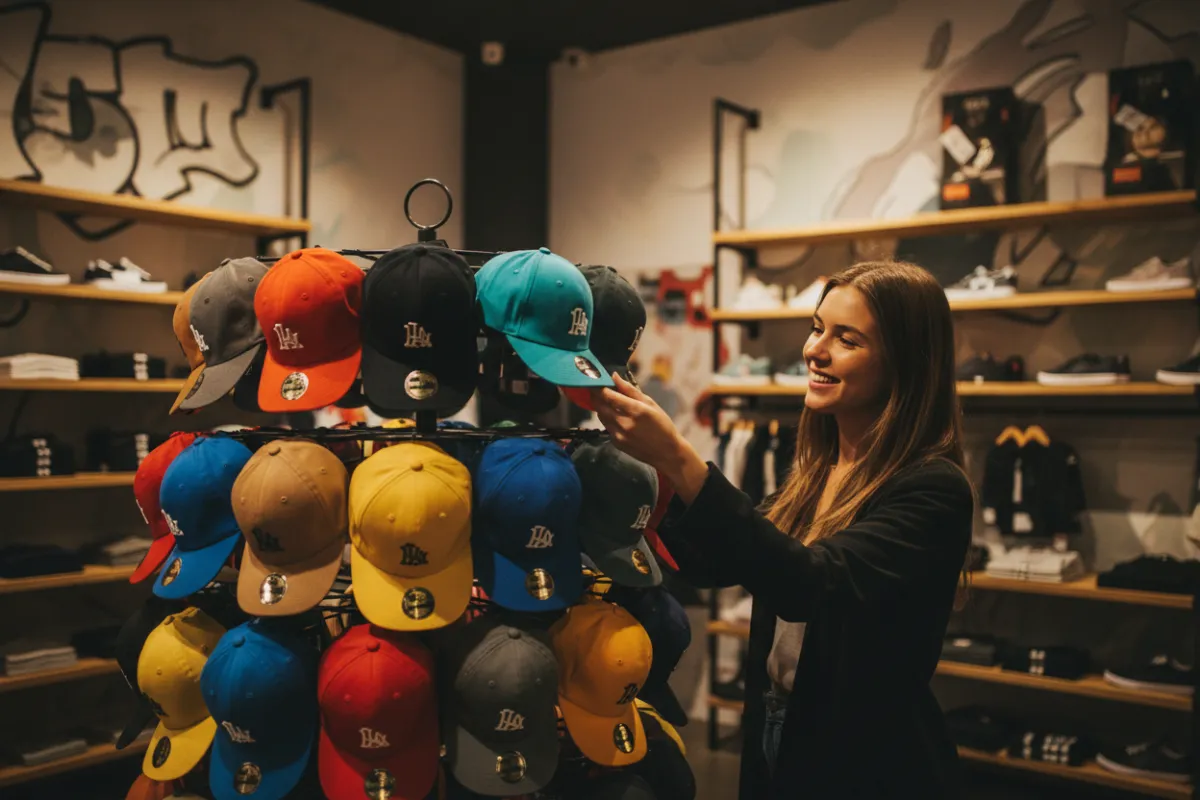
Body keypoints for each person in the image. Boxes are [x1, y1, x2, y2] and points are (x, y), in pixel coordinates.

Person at [590, 261, 974, 798]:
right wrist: (649, 475)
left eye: (847, 339)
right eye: (817, 328)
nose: (815, 350)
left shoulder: (932, 488)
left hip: (866, 756)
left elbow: (809, 584)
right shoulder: (818, 473)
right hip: (778, 720)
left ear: (904, 362)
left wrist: (681, 459)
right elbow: (718, 562)